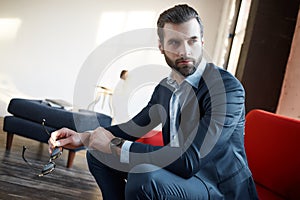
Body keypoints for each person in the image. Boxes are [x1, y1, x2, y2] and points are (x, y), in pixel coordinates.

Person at [49, 4, 258, 200]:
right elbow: (134, 128)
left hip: (219, 187)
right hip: (182, 176)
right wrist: (85, 137)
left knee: (144, 176)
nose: (184, 51)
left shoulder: (227, 89)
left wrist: (114, 145)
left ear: (202, 43)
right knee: (98, 154)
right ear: (161, 46)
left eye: (192, 41)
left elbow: (190, 161)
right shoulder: (166, 88)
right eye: (174, 42)